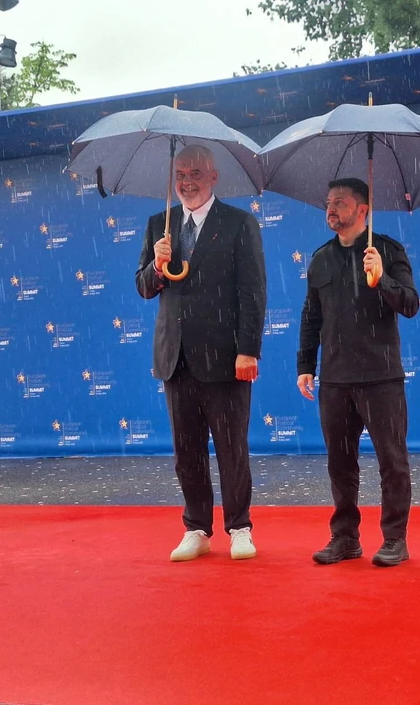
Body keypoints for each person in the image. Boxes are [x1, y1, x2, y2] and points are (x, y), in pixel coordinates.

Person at [136, 144, 266, 562]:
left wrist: (247, 350)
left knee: (231, 449)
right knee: (186, 451)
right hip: (175, 358)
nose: (187, 182)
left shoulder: (239, 223)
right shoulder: (159, 224)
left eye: (195, 173)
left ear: (213, 176)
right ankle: (196, 528)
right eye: (180, 174)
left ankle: (240, 527)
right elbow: (143, 287)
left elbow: (252, 292)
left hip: (226, 358)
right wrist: (156, 267)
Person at [296, 178, 420, 567]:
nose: (331, 209)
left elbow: (411, 304)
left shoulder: (387, 250)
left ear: (362, 209)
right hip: (335, 379)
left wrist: (382, 279)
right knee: (340, 463)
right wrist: (305, 366)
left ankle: (395, 539)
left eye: (340, 202)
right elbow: (311, 317)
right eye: (328, 202)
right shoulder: (320, 259)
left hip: (381, 376)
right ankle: (345, 537)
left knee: (392, 462)